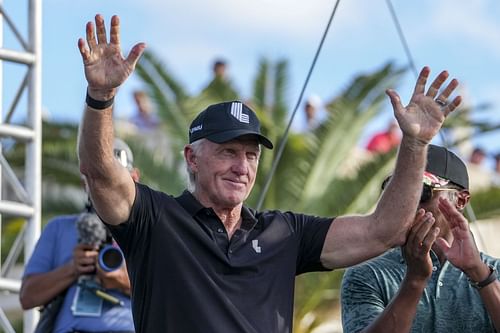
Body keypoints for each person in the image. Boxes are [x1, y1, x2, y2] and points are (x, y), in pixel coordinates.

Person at [76, 14, 462, 332]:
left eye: (250, 155)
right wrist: (101, 99)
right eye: (227, 152)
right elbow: (100, 173)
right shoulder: (155, 219)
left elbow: (384, 230)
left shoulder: (285, 233)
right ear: (191, 158)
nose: (241, 167)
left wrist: (414, 145)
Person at [341, 144, 500, 332]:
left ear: (460, 200)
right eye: (399, 194)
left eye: (421, 192)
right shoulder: (367, 274)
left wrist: (479, 274)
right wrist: (414, 280)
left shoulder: (494, 272)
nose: (407, 206)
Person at [19, 138, 138, 333]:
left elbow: (174, 299)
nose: (106, 189)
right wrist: (73, 269)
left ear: (134, 178)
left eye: (114, 180)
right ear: (85, 183)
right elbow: (27, 296)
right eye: (97, 179)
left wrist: (124, 281)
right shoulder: (59, 228)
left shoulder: (149, 231)